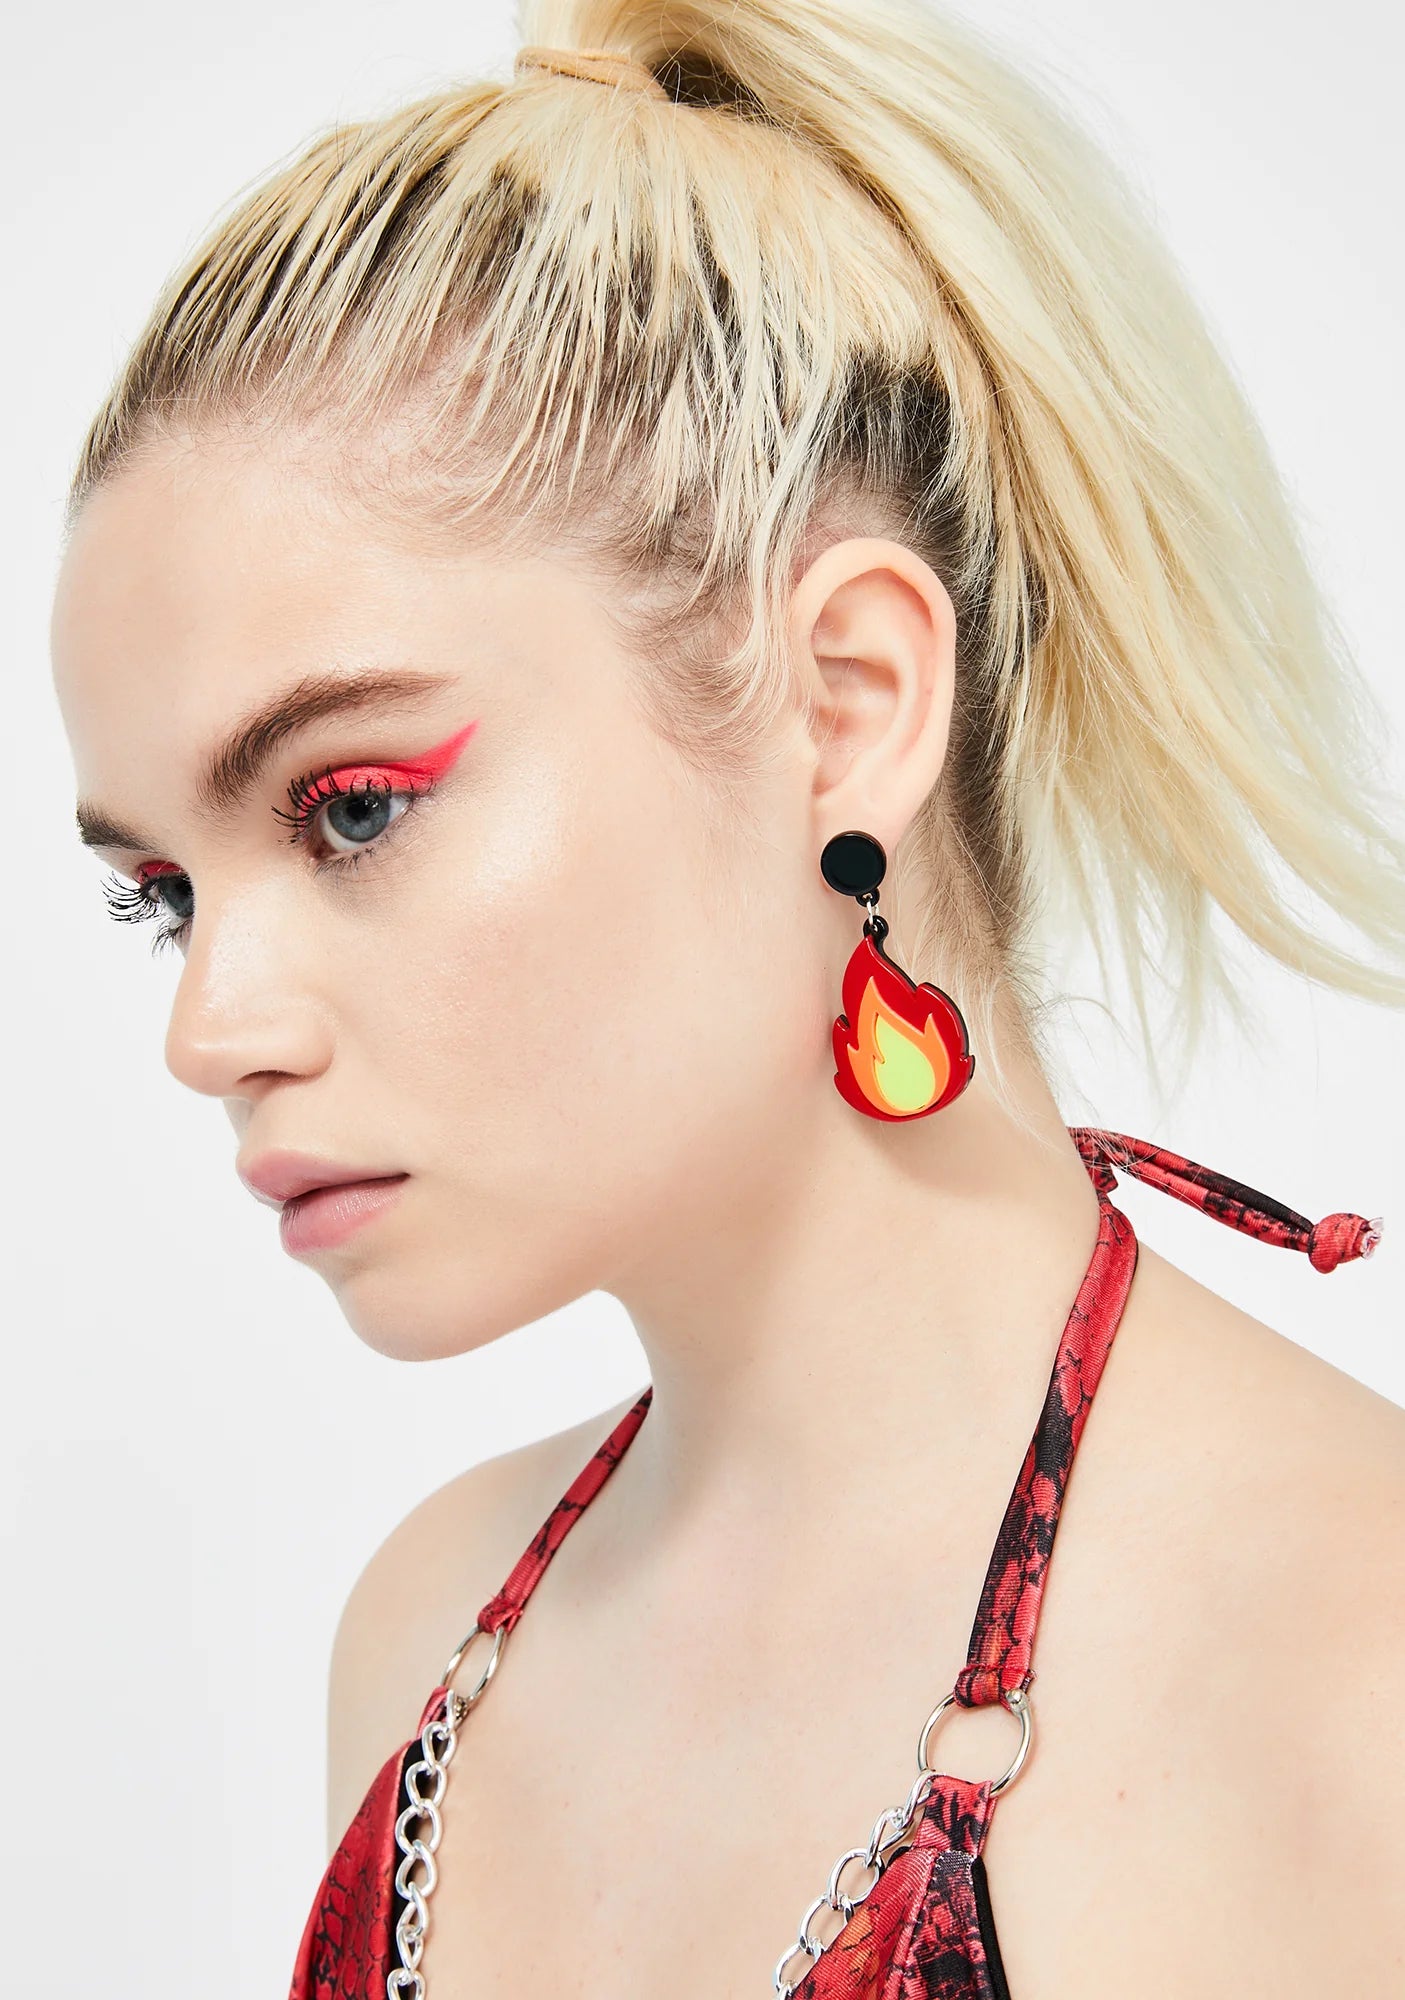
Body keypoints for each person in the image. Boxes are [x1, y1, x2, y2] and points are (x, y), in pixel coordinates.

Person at [50, 3, 1405, 1994]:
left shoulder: (1354, 1672)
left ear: (846, 704)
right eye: (163, 895)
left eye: (351, 808)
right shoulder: (427, 1641)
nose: (209, 1031)